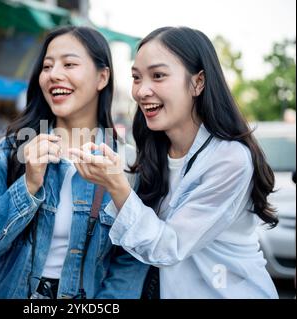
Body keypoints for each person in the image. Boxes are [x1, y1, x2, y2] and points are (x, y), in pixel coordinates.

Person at [69, 26, 279, 298]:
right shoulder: (153, 152)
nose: (142, 91)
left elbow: (167, 247)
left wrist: (116, 185)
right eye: (136, 77)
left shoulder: (230, 159)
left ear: (198, 82)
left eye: (158, 76)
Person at [0, 26, 148, 299]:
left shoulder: (127, 164)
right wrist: (28, 185)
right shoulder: (9, 152)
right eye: (47, 66)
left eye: (69, 64)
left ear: (102, 77)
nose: (54, 75)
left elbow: (130, 263)